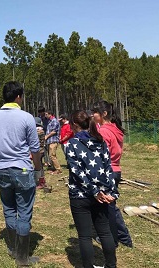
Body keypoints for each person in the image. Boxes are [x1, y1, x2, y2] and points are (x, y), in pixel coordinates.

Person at [0, 81, 41, 266]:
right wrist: (39, 170)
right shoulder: (26, 117)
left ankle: (13, 249)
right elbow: (35, 148)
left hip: (3, 169)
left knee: (9, 209)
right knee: (24, 212)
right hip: (23, 169)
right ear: (18, 97)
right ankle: (22, 258)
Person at [66, 110, 118, 268]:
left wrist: (93, 191)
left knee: (85, 236)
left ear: (75, 125)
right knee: (105, 232)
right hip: (102, 194)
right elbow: (109, 168)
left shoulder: (72, 144)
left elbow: (77, 172)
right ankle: (111, 265)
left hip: (80, 195)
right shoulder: (100, 141)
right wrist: (112, 192)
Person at [92, 100, 133, 248]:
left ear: (104, 114)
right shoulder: (115, 128)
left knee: (107, 208)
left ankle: (112, 239)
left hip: (107, 172)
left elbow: (99, 155)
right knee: (111, 206)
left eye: (95, 113)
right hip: (116, 170)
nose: (92, 115)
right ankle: (123, 237)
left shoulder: (103, 131)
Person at [45, 110, 62, 174]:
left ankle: (58, 169)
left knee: (52, 155)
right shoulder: (50, 121)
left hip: (53, 140)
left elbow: (54, 131)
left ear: (50, 114)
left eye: (46, 114)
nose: (45, 116)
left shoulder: (54, 121)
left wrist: (47, 136)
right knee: (50, 155)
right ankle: (53, 168)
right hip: (50, 141)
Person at [34, 117, 46, 189]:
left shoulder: (38, 131)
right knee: (40, 166)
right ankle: (41, 180)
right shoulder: (41, 130)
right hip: (41, 150)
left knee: (39, 167)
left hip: (38, 151)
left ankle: (41, 182)